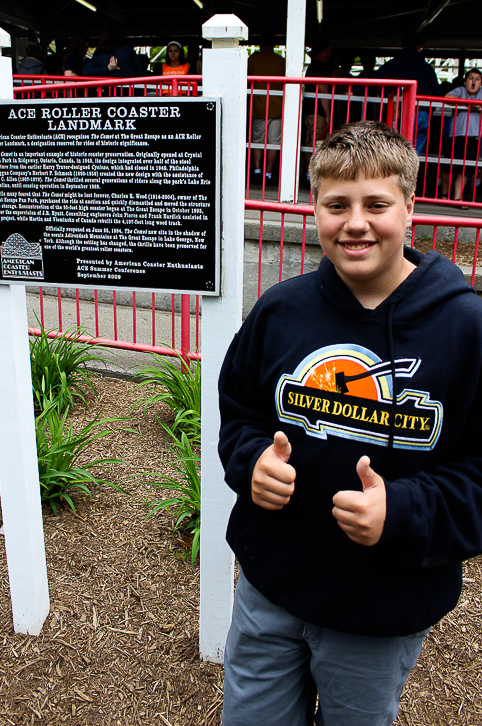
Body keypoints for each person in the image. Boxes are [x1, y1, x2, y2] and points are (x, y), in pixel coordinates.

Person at [218, 120, 482, 726]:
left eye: (376, 204)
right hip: (270, 585)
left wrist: (405, 510)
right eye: (336, 204)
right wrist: (251, 459)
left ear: (411, 208)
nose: (355, 223)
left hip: (381, 607)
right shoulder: (280, 309)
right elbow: (240, 411)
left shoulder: (466, 330)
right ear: (314, 208)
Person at [375, 34, 440, 154]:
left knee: (395, 151)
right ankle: (411, 172)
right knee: (414, 154)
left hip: (397, 112)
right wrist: (426, 110)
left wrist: (357, 92)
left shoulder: (394, 64)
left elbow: (375, 80)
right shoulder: (428, 69)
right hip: (421, 113)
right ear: (418, 47)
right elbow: (435, 94)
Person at [247, 34, 286, 184]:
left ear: (262, 44)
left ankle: (257, 170)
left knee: (257, 140)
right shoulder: (282, 62)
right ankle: (268, 173)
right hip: (277, 108)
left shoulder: (253, 60)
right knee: (274, 142)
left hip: (258, 106)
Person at [440, 68, 482, 207]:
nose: (474, 81)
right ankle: (444, 195)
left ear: (481, 83)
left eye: (477, 79)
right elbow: (447, 97)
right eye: (471, 78)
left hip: (475, 136)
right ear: (465, 81)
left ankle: (458, 198)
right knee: (449, 167)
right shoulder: (460, 90)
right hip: (456, 134)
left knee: (465, 169)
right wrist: (467, 102)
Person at [302, 38, 332, 181]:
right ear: (325, 50)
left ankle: (308, 175)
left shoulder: (312, 66)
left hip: (310, 111)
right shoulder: (320, 67)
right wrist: (328, 114)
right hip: (317, 112)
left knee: (310, 142)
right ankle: (311, 176)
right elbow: (323, 90)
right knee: (315, 142)